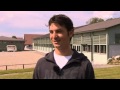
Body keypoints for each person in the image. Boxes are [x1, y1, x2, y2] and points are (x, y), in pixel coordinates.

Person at [33, 14, 95, 79]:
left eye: (58, 31)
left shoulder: (84, 65)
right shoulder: (42, 64)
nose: (54, 36)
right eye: (51, 32)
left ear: (71, 33)